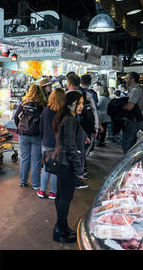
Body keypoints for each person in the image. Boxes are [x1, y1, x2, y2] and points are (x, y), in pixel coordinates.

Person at [52, 90, 86, 243]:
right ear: (71, 104)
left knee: (61, 196)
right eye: (79, 103)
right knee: (65, 197)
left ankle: (61, 227)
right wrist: (79, 170)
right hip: (67, 164)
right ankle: (60, 231)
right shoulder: (70, 120)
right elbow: (71, 147)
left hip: (61, 162)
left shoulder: (62, 117)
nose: (81, 106)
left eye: (82, 103)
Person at [66, 74, 99, 188]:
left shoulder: (63, 96)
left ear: (68, 83)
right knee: (80, 154)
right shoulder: (88, 95)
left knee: (72, 154)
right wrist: (96, 127)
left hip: (71, 130)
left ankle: (73, 178)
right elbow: (94, 112)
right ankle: (78, 179)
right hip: (83, 129)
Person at [14, 85, 46, 188]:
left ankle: (23, 181)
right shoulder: (42, 105)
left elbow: (16, 117)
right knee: (36, 160)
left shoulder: (23, 103)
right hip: (36, 135)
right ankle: (36, 184)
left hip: (23, 134)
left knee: (24, 158)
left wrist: (20, 127)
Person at [37, 88, 65, 200]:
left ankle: (42, 191)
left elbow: (40, 127)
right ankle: (53, 193)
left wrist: (43, 137)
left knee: (45, 167)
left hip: (46, 142)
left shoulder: (46, 110)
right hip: (58, 143)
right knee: (55, 168)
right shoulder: (63, 112)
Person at [121, 72, 143, 153]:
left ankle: (127, 165)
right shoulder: (135, 90)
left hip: (132, 122)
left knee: (127, 146)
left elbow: (129, 107)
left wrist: (118, 106)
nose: (125, 80)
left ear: (133, 80)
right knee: (129, 144)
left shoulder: (135, 91)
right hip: (134, 121)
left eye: (127, 78)